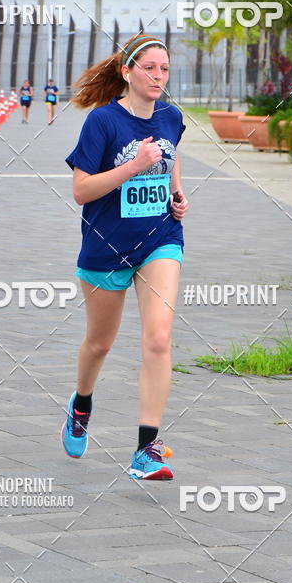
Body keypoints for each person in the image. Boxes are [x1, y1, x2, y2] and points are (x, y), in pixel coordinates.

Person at [62, 33, 189, 481]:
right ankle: (81, 403)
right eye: (149, 68)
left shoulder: (172, 117)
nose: (158, 76)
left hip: (160, 239)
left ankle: (145, 448)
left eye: (165, 69)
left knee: (158, 338)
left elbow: (171, 158)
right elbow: (81, 192)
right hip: (106, 247)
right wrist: (132, 167)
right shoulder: (102, 123)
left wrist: (177, 193)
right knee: (100, 344)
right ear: (127, 72)